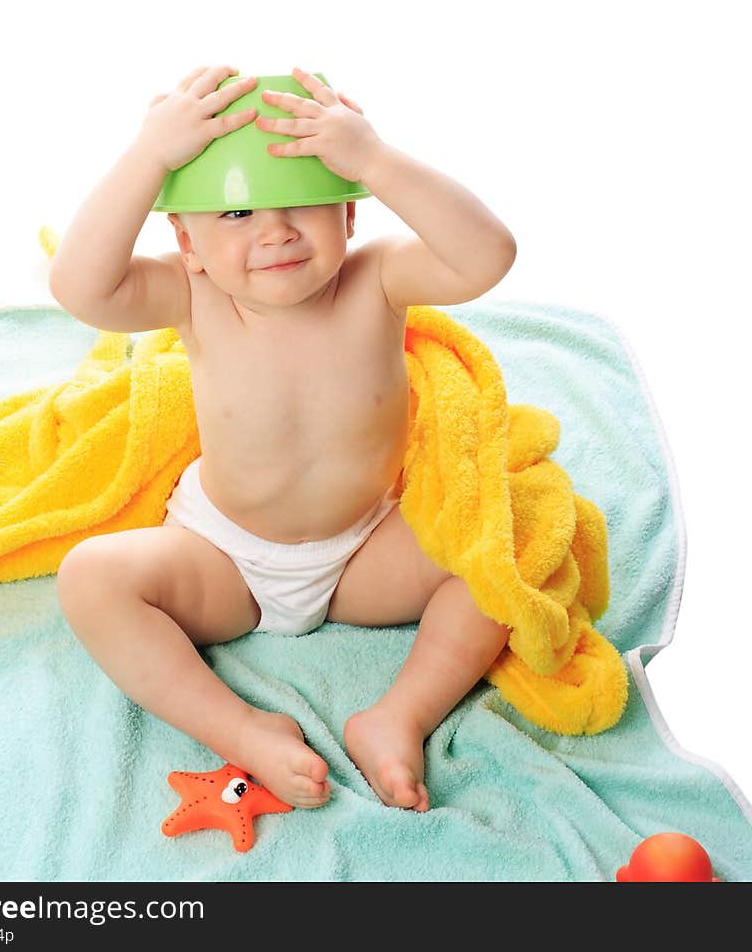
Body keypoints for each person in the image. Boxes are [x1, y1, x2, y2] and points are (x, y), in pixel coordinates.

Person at [49, 64, 517, 813]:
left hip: (365, 550)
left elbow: (486, 255)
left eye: (304, 201)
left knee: (503, 553)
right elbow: (80, 287)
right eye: (235, 215)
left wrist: (374, 159)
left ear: (351, 215)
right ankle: (243, 728)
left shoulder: (378, 280)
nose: (275, 232)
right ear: (187, 240)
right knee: (91, 579)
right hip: (223, 557)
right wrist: (148, 157)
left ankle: (400, 716)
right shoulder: (193, 293)